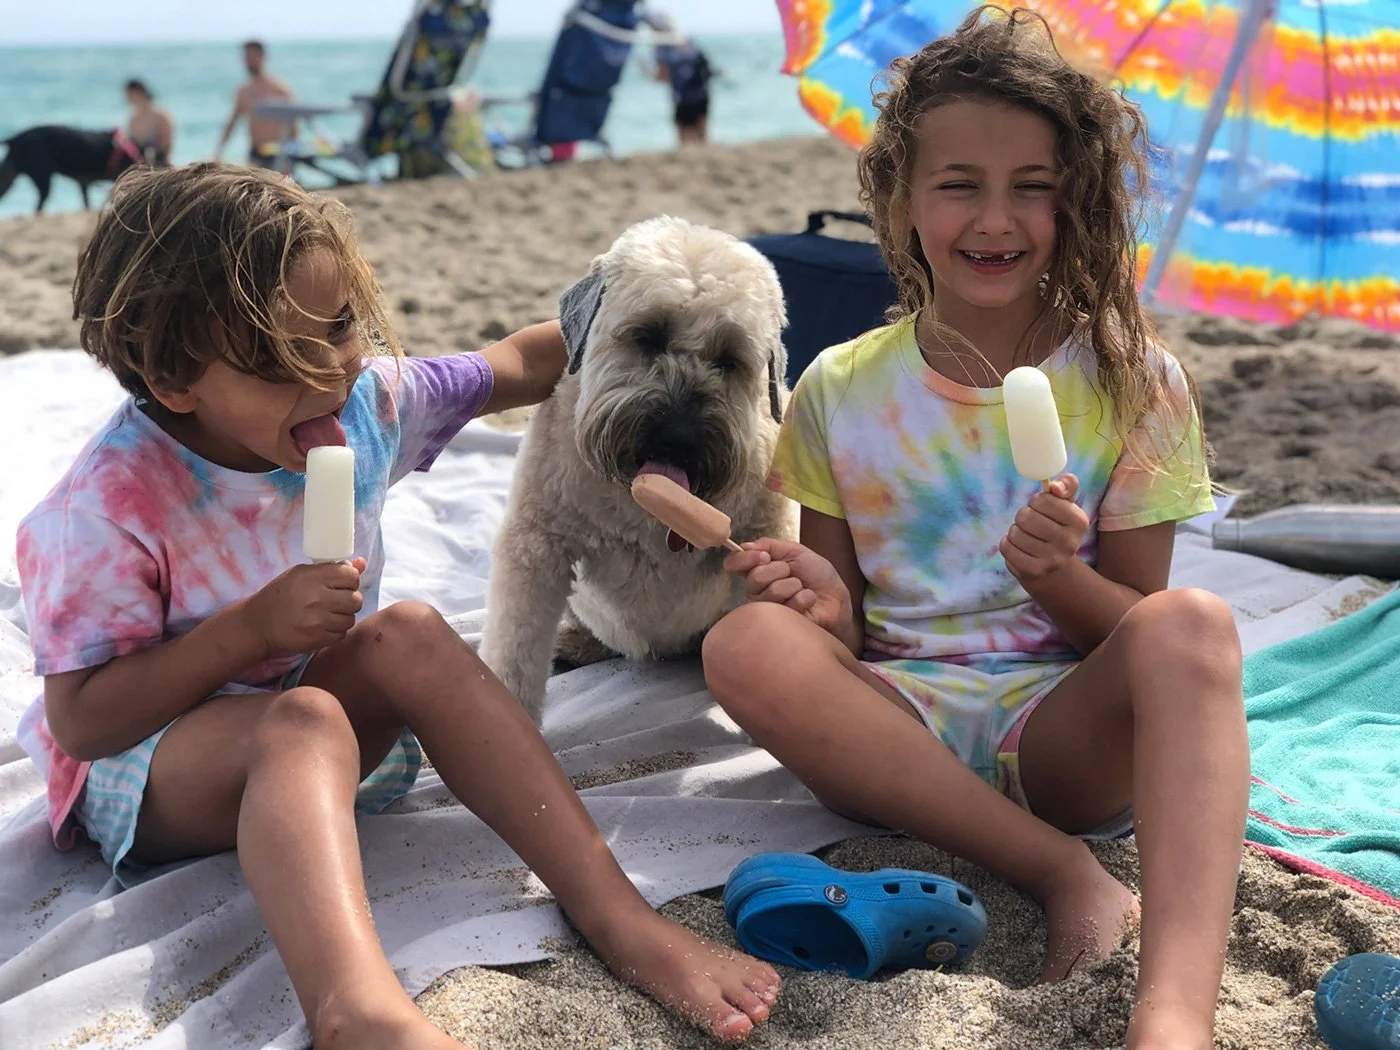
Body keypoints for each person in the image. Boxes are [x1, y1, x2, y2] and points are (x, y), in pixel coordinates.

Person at [15, 164, 780, 1049]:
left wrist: (626, 333)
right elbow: (82, 725)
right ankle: (356, 1008)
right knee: (298, 721)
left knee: (413, 630)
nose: (332, 375)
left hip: (324, 728)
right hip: (155, 773)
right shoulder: (108, 508)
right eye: (281, 359)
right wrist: (250, 633)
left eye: (340, 328)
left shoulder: (368, 405)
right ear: (176, 377)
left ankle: (617, 914)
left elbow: (514, 364)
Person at [702, 9, 1247, 1050]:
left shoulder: (1137, 381)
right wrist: (817, 608)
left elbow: (1134, 636)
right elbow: (841, 634)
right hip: (896, 729)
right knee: (743, 641)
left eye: (1030, 187)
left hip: (1061, 738)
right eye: (958, 184)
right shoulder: (838, 387)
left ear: (1073, 201)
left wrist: (1057, 580)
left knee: (1194, 625)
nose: (993, 218)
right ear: (900, 200)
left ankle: (1173, 1015)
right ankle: (1058, 875)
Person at [215, 40, 295, 171]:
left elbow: (293, 125)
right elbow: (232, 123)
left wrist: (292, 153)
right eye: (246, 57)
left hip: (278, 151)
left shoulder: (280, 89)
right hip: (255, 151)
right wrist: (219, 152)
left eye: (252, 56)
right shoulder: (244, 91)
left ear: (263, 57)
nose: (248, 61)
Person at [642, 10, 713, 146]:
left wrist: (647, 72)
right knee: (703, 139)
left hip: (682, 98)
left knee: (685, 142)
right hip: (701, 94)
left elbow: (663, 77)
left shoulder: (663, 49)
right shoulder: (688, 41)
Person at [123, 79, 174, 167]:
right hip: (139, 166)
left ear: (138, 92)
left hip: (161, 165)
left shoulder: (161, 116)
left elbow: (167, 145)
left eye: (129, 94)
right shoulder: (133, 119)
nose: (127, 98)